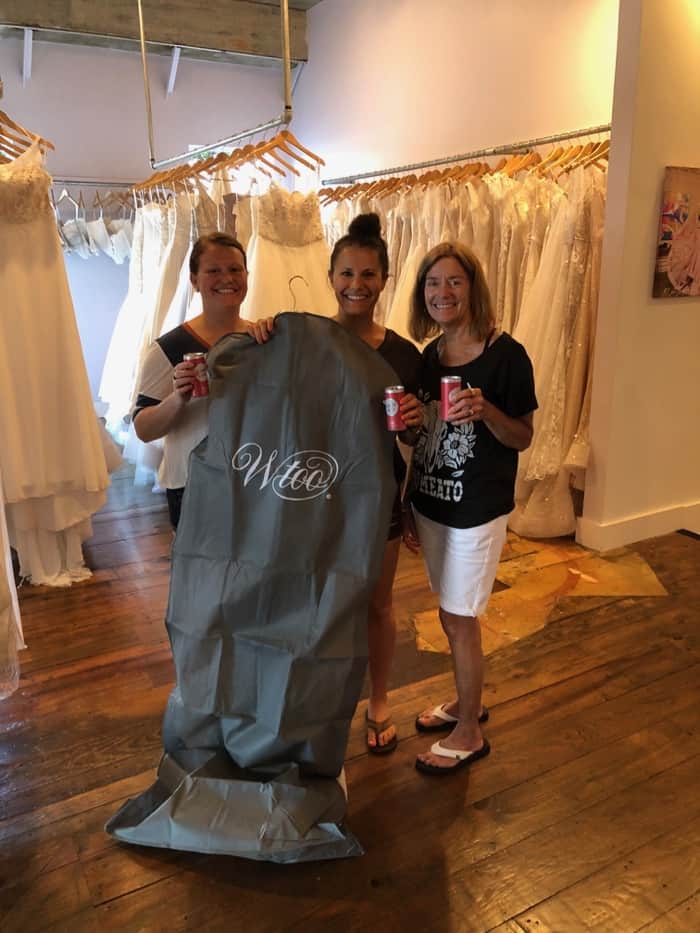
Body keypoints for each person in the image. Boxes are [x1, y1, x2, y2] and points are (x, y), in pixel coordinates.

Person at [404, 242, 537, 775]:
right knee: (448, 610)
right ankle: (467, 702)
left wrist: (486, 411)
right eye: (433, 283)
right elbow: (420, 434)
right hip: (432, 502)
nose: (443, 292)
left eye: (454, 281)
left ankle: (469, 732)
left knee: (461, 617)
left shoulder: (507, 355)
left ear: (473, 287)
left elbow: (523, 436)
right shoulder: (430, 356)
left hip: (477, 508)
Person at [328, 213, 423, 754]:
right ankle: (319, 700)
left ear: (384, 279)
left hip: (379, 492)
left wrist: (413, 420)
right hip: (317, 494)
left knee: (378, 604)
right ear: (331, 277)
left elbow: (412, 436)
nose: (356, 285)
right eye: (346, 273)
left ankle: (380, 699)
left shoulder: (404, 355)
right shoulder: (306, 340)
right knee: (321, 602)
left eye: (368, 274)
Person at [133, 232, 271, 528]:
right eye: (213, 271)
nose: (227, 278)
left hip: (255, 478)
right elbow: (143, 429)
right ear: (194, 280)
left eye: (235, 269)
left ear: (247, 276)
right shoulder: (169, 348)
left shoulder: (262, 341)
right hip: (192, 484)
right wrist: (178, 399)